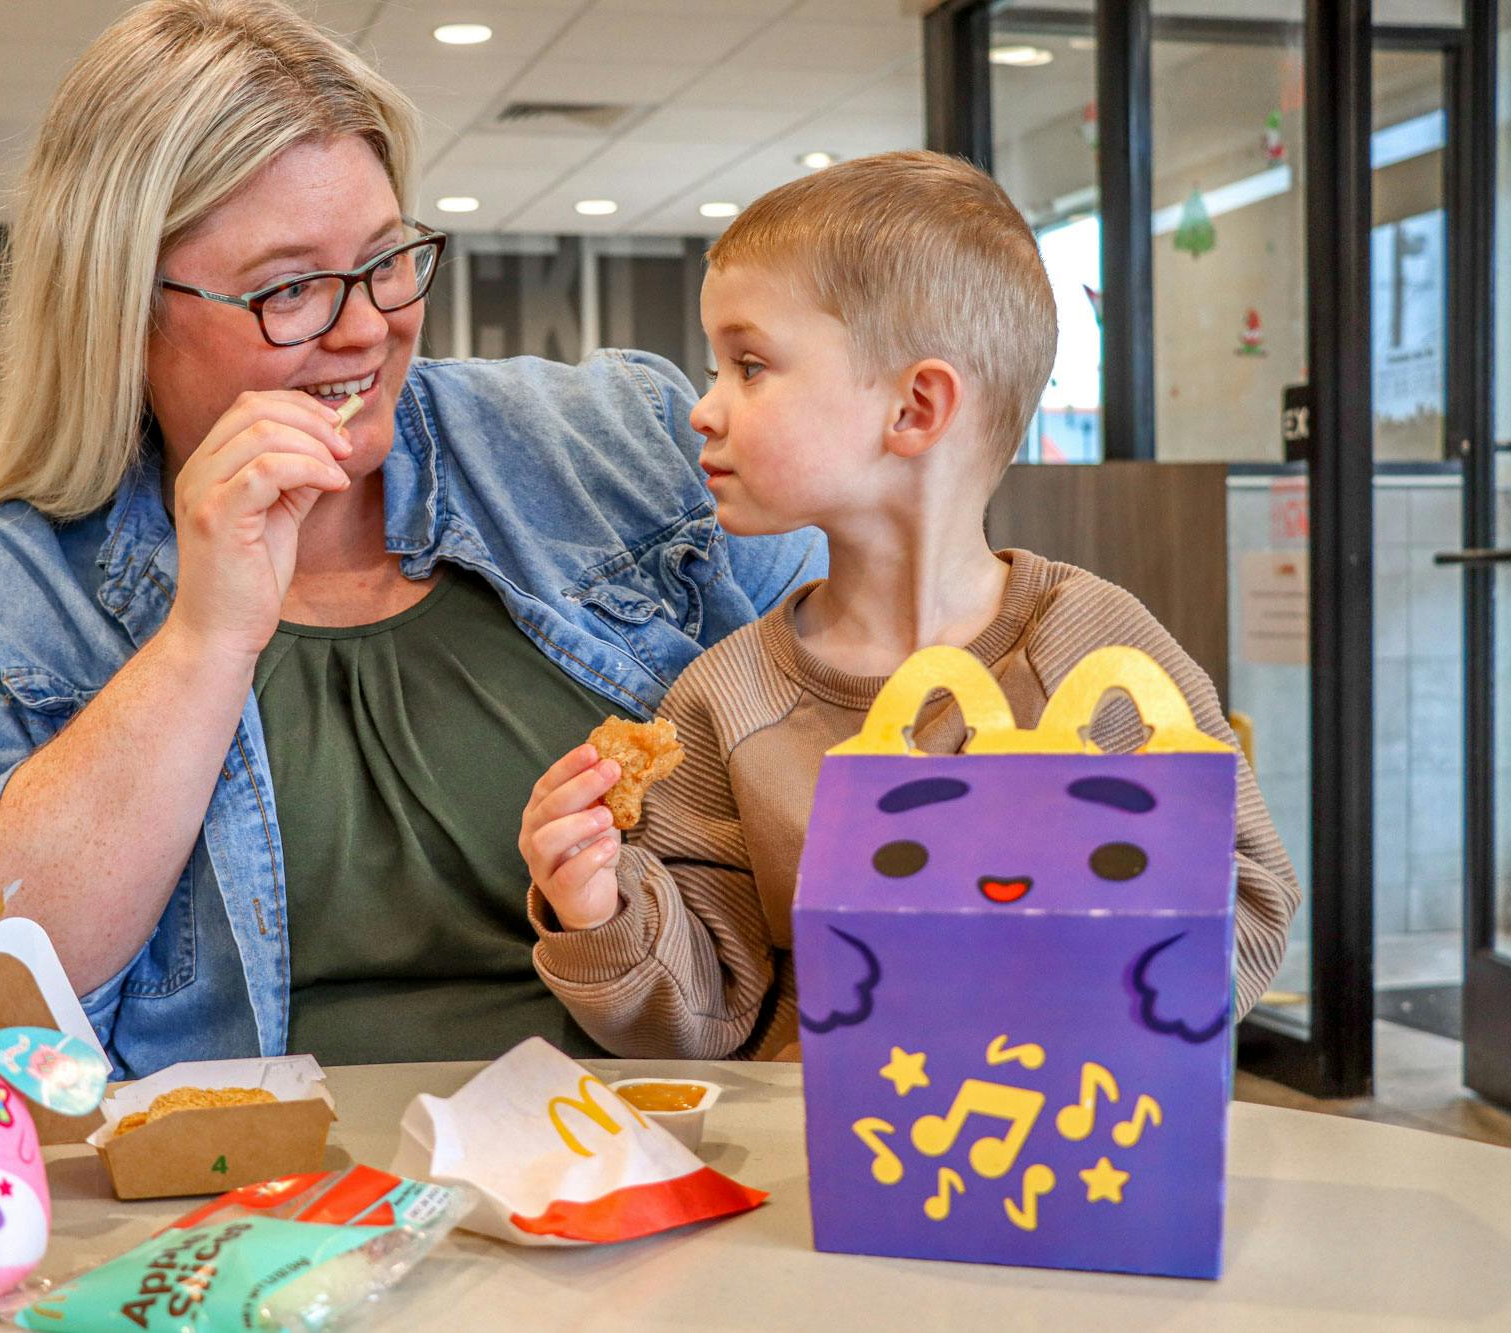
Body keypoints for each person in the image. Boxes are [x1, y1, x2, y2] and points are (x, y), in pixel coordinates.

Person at [0, 0, 821, 1072]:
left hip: (673, 1172)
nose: (365, 327)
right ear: (124, 308)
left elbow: (892, 752)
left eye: (387, 261)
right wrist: (202, 642)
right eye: (290, 288)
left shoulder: (619, 443)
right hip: (248, 1210)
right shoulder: (5, 592)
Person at [518, 151, 1301, 1060]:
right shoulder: (721, 700)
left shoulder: (1099, 650)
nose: (703, 409)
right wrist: (596, 902)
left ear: (915, 407)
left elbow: (1244, 908)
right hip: (817, 1161)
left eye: (751, 365)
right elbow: (707, 1010)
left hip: (1064, 1146)